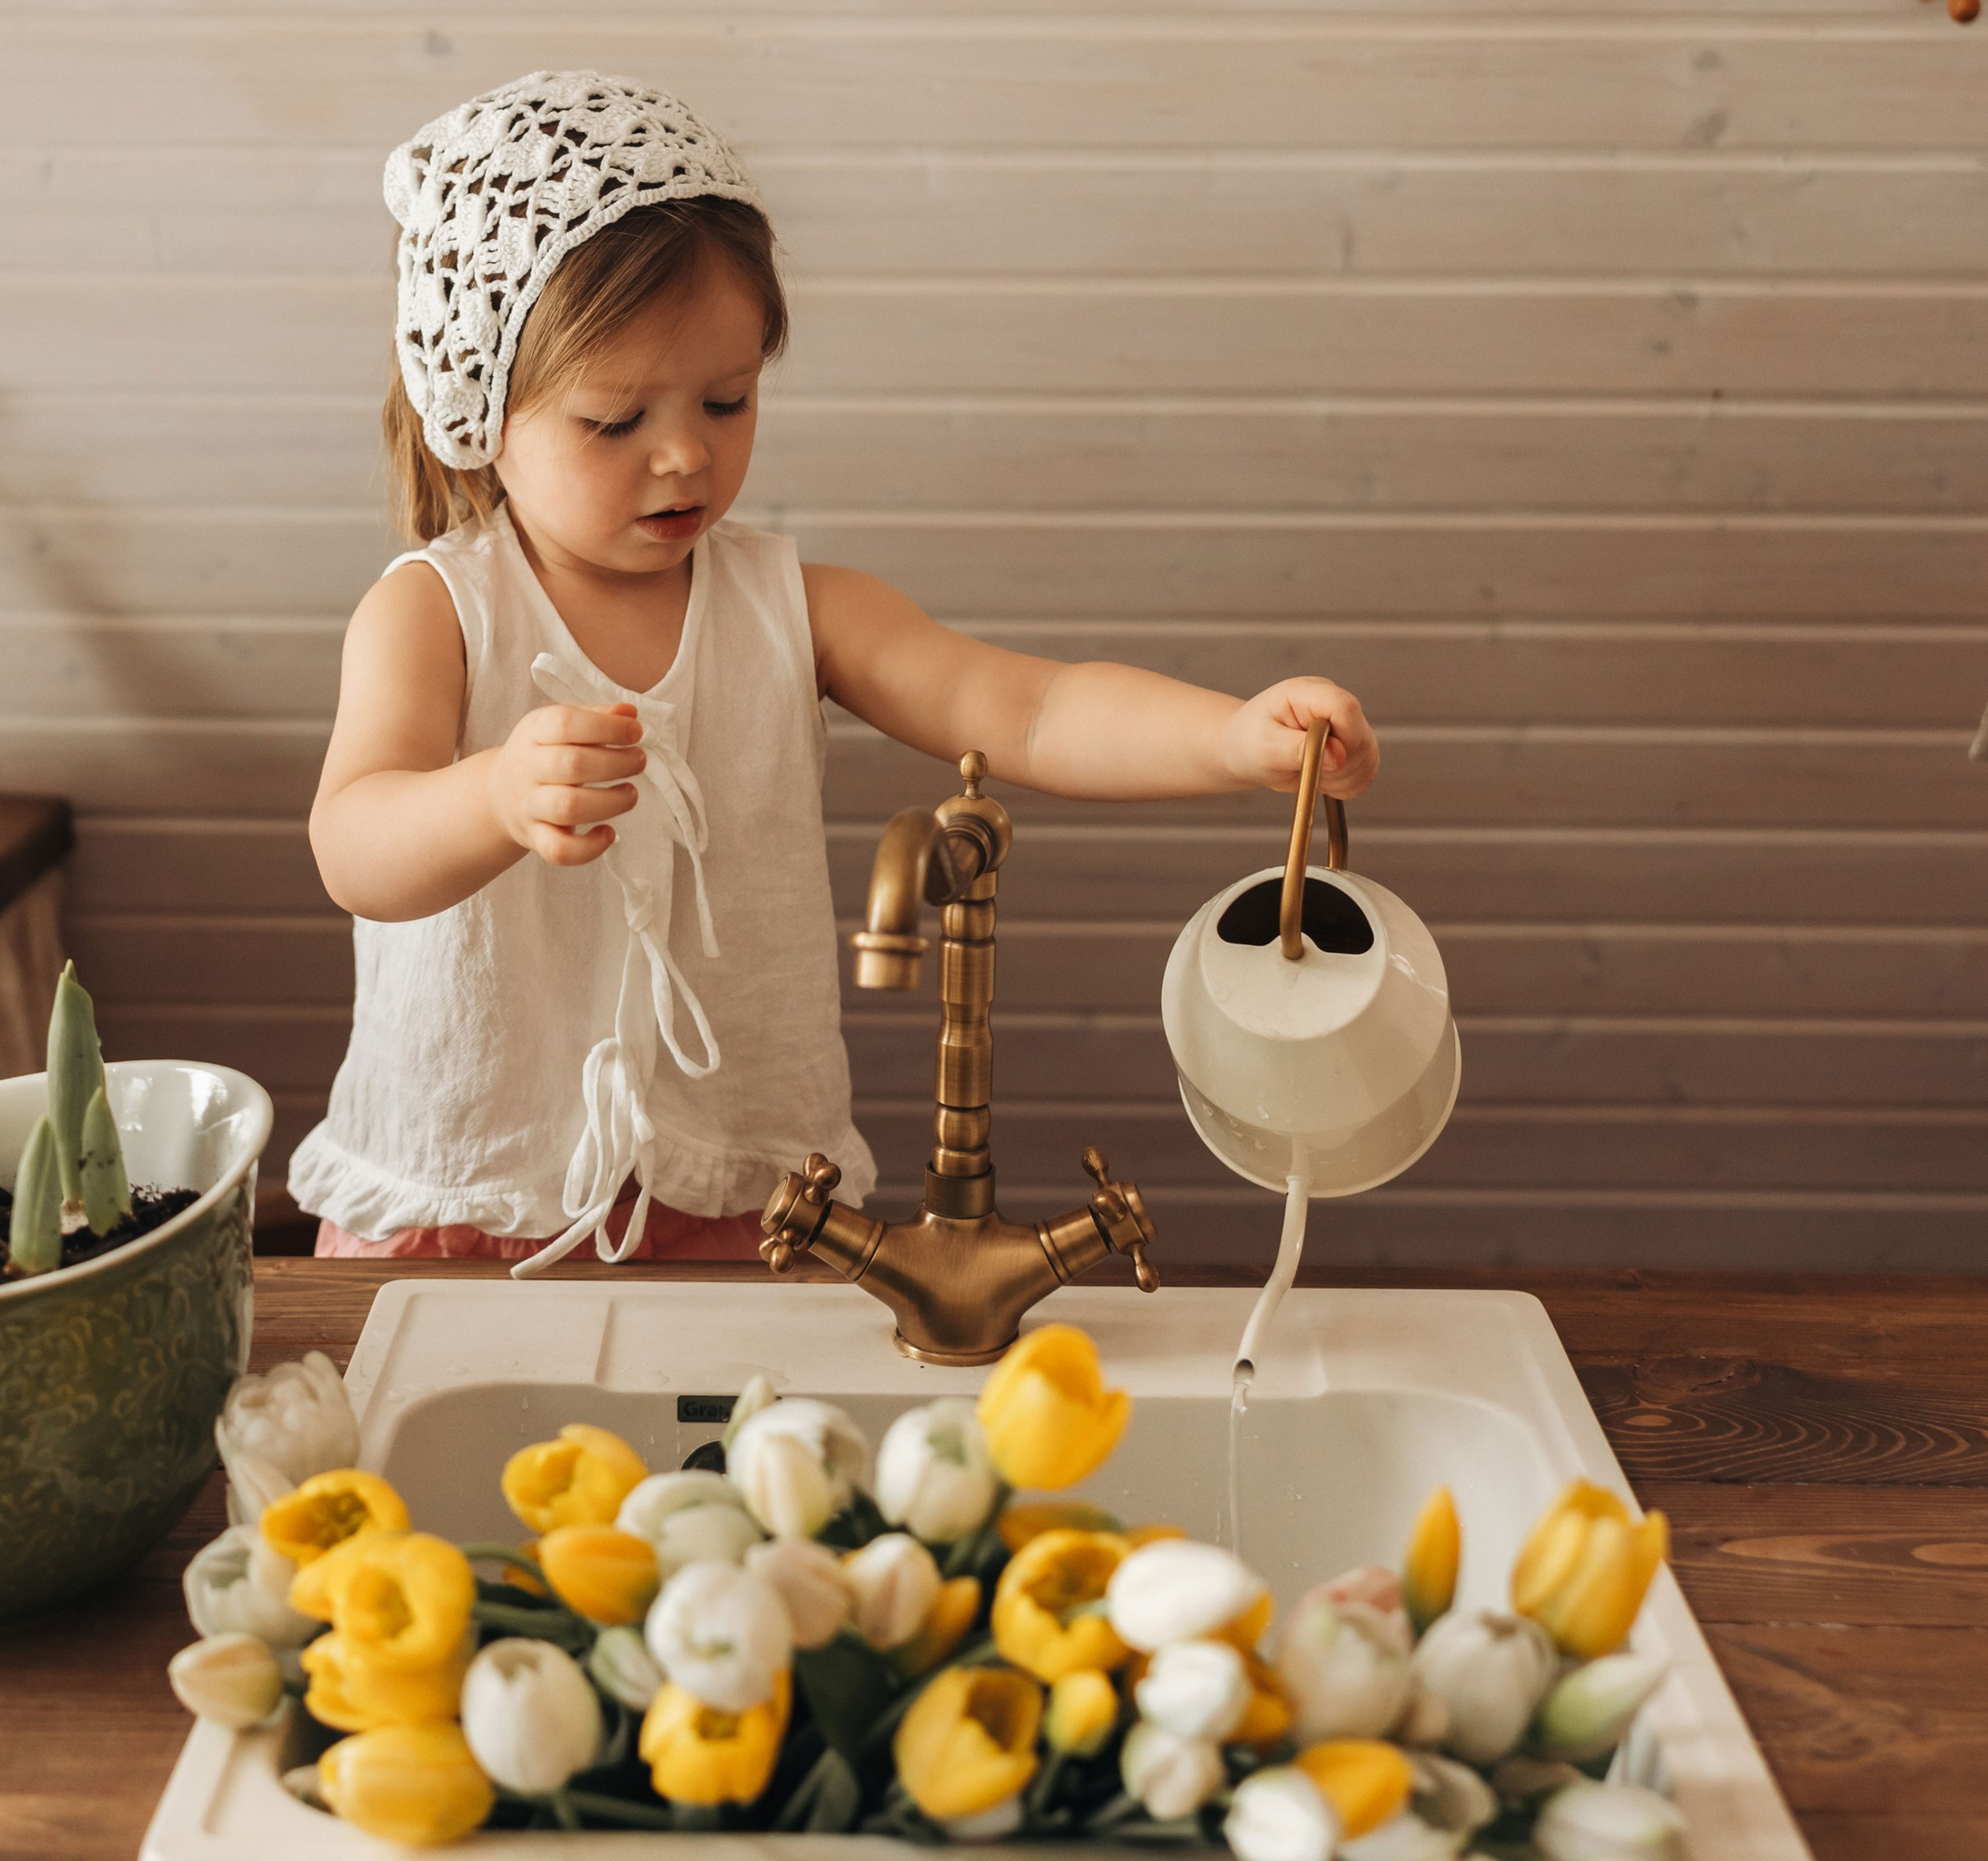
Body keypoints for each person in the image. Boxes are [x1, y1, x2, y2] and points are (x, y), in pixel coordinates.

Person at [295, 72, 1378, 1270]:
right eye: (614, 422)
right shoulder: (436, 614)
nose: (684, 455)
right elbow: (354, 846)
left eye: (728, 399)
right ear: (481, 406)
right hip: (472, 1202)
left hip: (733, 1193)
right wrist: (490, 796)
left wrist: (1232, 741)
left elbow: (1026, 705)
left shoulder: (787, 608)